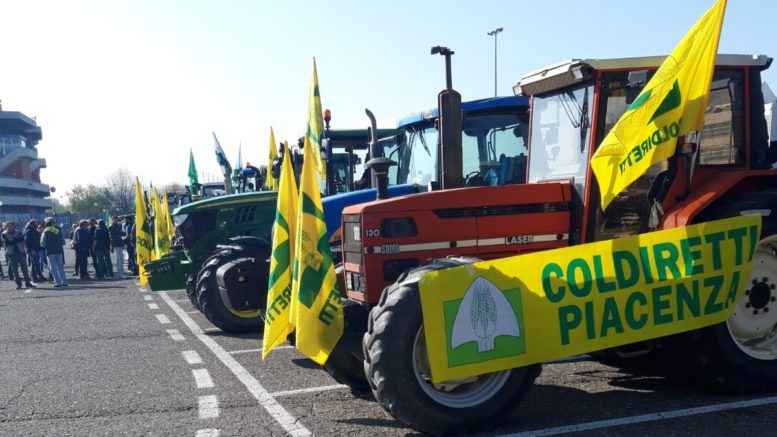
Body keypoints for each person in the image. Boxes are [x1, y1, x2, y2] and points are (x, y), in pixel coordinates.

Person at [2, 222, 33, 289]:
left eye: (12, 225)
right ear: (6, 226)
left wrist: (24, 250)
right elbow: (8, 242)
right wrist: (15, 239)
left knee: (25, 269)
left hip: (20, 252)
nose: (11, 227)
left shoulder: (18, 232)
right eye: (9, 226)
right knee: (15, 270)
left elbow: (22, 240)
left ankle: (28, 283)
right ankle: (18, 284)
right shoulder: (4, 234)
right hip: (11, 253)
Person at [40, 218, 67, 287]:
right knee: (60, 267)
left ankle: (58, 282)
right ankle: (64, 281)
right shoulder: (59, 229)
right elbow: (63, 241)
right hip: (59, 250)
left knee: (53, 267)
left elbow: (42, 243)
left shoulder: (46, 231)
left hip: (50, 251)